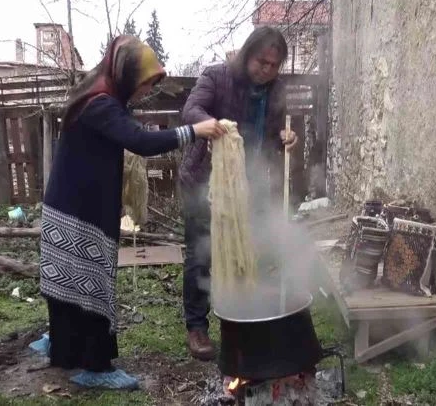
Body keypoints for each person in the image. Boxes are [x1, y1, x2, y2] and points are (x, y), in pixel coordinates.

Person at [36, 35, 225, 389]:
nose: (143, 94)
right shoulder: (101, 104)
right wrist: (194, 131)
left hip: (68, 201)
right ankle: (95, 366)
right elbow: (141, 141)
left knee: (67, 281)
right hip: (82, 210)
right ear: (125, 75)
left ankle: (64, 348)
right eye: (143, 86)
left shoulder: (96, 94)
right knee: (90, 284)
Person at [178, 26, 298, 361]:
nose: (267, 69)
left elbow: (274, 134)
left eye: (274, 65)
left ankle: (243, 315)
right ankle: (197, 327)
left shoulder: (275, 91)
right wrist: (212, 125)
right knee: (201, 254)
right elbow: (191, 111)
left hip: (247, 186)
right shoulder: (217, 77)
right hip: (204, 181)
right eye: (262, 61)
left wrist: (286, 136)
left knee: (247, 251)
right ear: (248, 55)